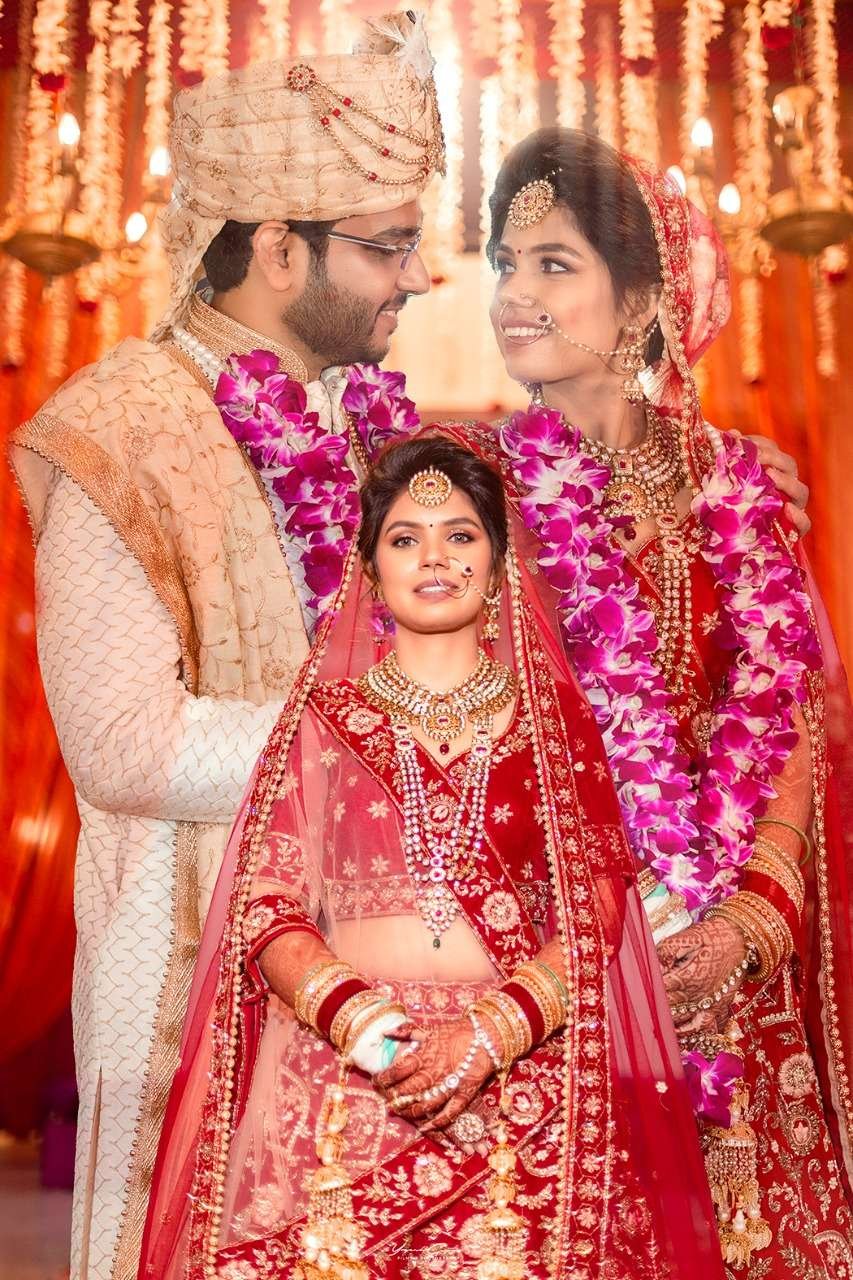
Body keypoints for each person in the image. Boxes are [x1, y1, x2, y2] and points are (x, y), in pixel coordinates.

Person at [7, 15, 444, 1279]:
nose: (420, 275)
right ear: (275, 246)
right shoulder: (117, 430)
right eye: (387, 244)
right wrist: (388, 731)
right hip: (191, 965)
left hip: (392, 968)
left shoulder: (371, 429)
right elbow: (124, 745)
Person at [139, 433, 729, 1280]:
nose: (435, 557)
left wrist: (487, 1035)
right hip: (340, 1083)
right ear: (369, 569)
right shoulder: (325, 721)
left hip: (519, 1084)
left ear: (497, 564)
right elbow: (267, 904)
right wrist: (375, 1038)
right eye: (404, 538)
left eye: (460, 534)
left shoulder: (555, 727)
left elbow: (598, 907)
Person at [484, 127, 853, 1278]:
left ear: (641, 298)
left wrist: (751, 917)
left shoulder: (740, 488)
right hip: (556, 963)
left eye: (553, 263)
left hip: (734, 962)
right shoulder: (469, 498)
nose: (513, 293)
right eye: (504, 263)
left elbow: (789, 719)